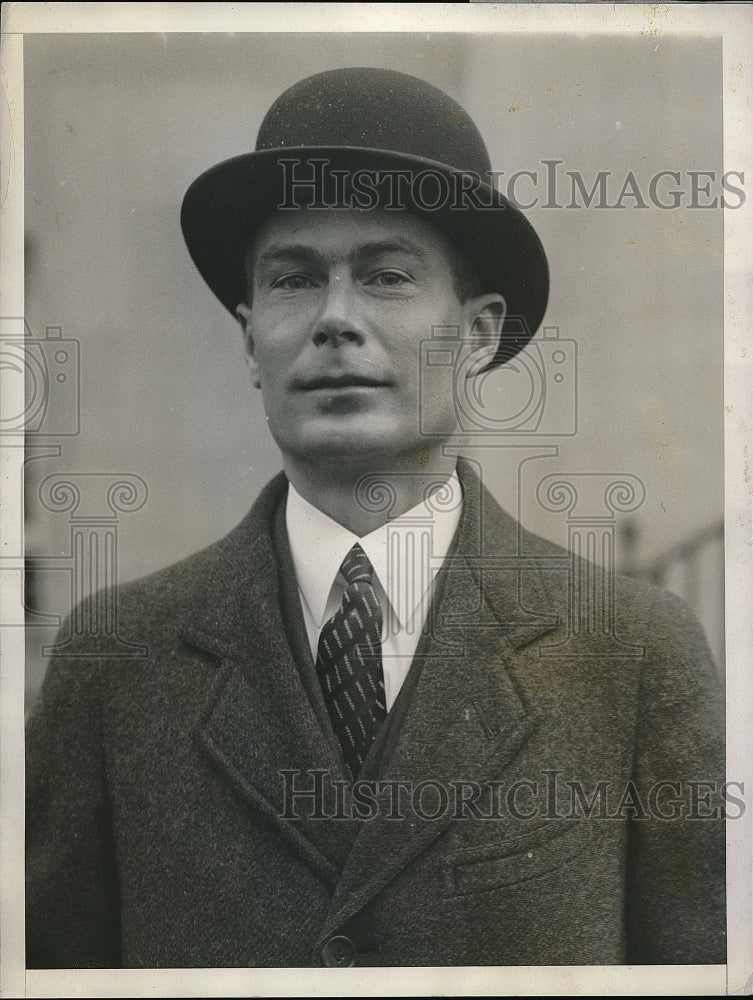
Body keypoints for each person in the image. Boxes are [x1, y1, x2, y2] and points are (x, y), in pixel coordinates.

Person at [25, 67, 726, 969]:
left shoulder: (629, 652)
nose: (335, 320)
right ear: (250, 340)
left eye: (387, 276)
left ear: (476, 335)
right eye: (293, 280)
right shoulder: (115, 659)